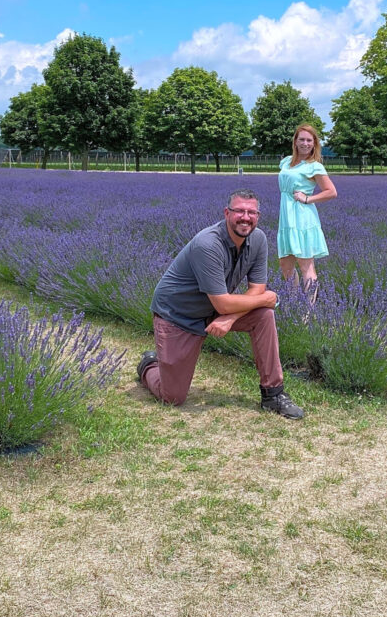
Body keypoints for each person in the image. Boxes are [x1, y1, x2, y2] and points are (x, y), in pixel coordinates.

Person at [137, 189, 303, 419]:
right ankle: (149, 364)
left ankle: (273, 394)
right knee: (172, 396)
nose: (245, 217)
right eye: (239, 211)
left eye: (251, 212)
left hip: (217, 309)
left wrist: (230, 317)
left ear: (258, 216)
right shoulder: (208, 244)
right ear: (227, 213)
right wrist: (265, 299)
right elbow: (237, 300)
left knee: (264, 315)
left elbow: (256, 289)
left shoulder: (258, 239)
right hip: (178, 315)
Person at [277, 123, 337, 288]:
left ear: (314, 143)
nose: (305, 143)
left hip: (303, 218)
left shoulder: (314, 166)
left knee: (306, 265)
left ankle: (309, 313)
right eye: (302, 139)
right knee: (285, 264)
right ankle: (295, 304)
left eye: (309, 140)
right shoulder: (286, 162)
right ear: (295, 141)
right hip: (286, 218)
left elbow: (331, 191)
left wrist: (307, 199)